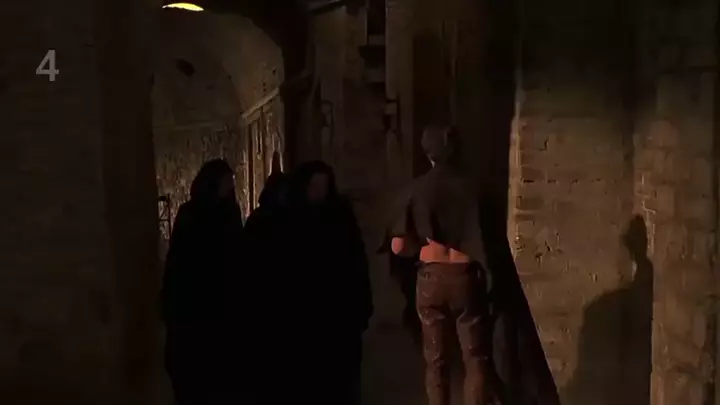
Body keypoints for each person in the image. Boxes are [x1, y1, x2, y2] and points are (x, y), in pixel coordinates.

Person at [384, 126, 560, 405]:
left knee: (436, 360)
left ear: (428, 153)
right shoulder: (475, 189)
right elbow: (491, 241)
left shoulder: (417, 191)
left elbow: (398, 247)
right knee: (476, 358)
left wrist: (423, 245)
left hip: (431, 278)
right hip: (466, 278)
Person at [287, 160, 373, 404]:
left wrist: (362, 305)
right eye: (314, 186)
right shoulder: (293, 219)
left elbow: (356, 261)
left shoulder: (340, 216)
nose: (319, 192)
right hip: (306, 318)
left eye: (323, 185)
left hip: (340, 315)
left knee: (343, 381)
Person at [160, 158, 244, 405]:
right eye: (226, 182)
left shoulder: (229, 213)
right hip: (194, 310)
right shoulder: (191, 215)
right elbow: (179, 263)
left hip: (223, 310)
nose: (230, 187)